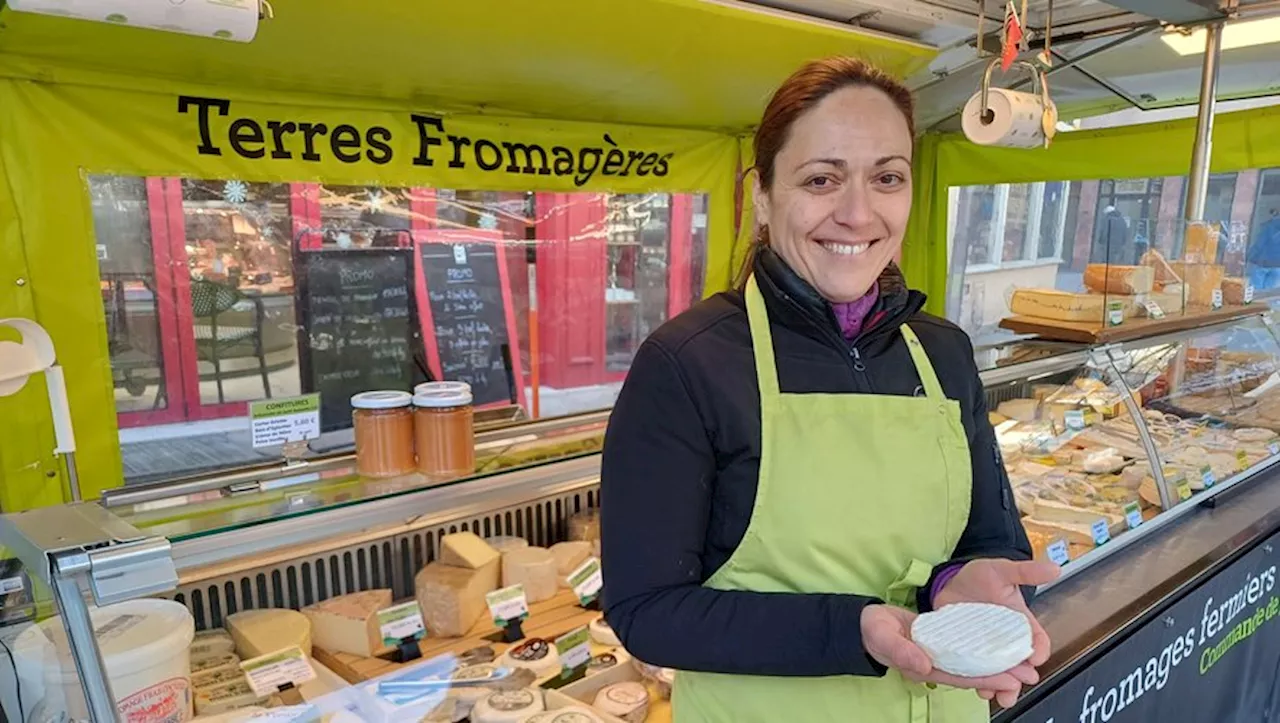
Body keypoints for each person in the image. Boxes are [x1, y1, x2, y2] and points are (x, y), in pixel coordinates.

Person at [600, 57, 1058, 722]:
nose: (857, 212)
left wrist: (967, 581)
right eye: (821, 179)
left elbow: (988, 534)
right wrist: (856, 629)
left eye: (887, 177)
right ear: (761, 193)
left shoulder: (943, 352)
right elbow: (648, 611)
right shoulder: (686, 364)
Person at [1247, 209, 1280, 291]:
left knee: (1255, 291)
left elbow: (1259, 244)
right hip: (1277, 265)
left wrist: (1249, 257)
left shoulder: (1268, 226)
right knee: (1270, 292)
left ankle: (1256, 303)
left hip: (1262, 263)